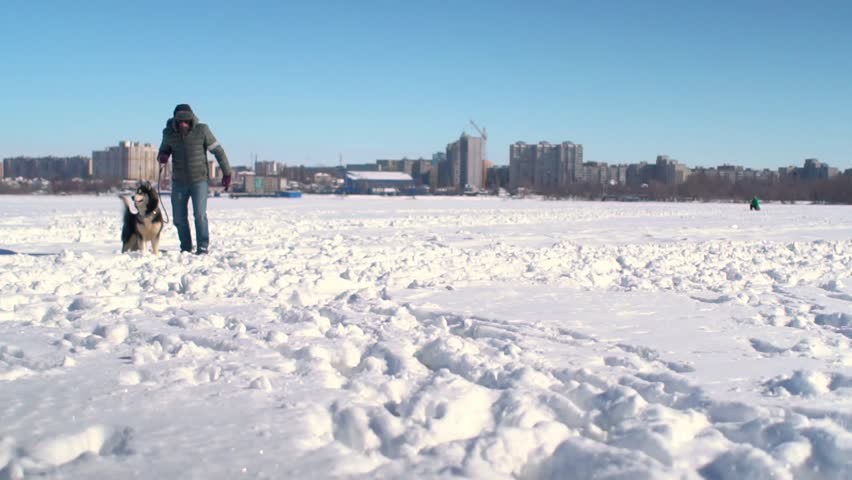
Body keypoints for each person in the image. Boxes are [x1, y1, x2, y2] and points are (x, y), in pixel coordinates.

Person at [158, 104, 232, 254]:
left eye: (186, 121)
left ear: (191, 119)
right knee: (179, 218)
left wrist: (227, 173)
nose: (183, 124)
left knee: (199, 215)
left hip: (199, 180)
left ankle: (203, 246)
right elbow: (162, 150)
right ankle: (185, 247)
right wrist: (163, 156)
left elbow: (218, 151)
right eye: (179, 122)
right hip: (179, 182)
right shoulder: (169, 133)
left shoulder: (202, 130)